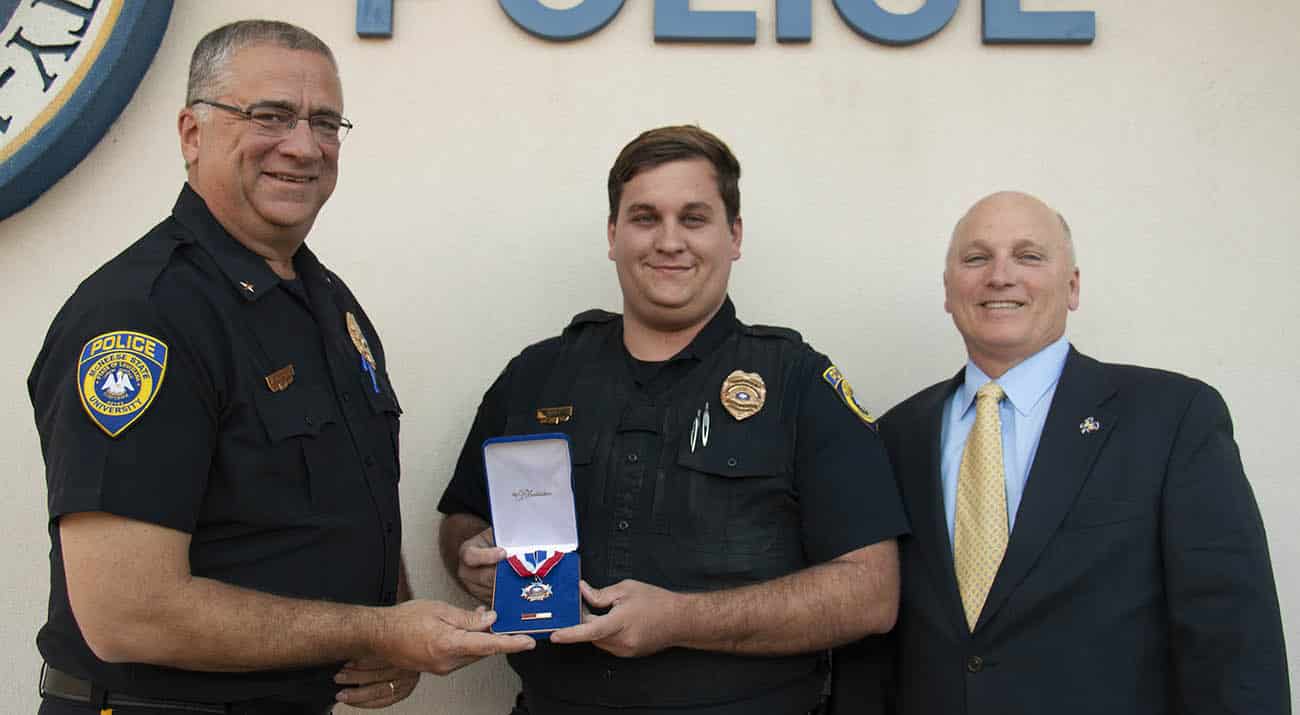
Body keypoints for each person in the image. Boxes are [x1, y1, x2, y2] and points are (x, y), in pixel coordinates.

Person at [27, 20, 533, 715]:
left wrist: (393, 618)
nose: (303, 145)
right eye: (270, 116)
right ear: (191, 132)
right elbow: (127, 613)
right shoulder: (143, 316)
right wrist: (379, 628)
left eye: (325, 122)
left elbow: (346, 499)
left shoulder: (328, 305)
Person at [437, 125, 908, 714]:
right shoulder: (536, 375)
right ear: (612, 235)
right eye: (644, 218)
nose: (668, 242)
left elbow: (870, 592)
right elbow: (464, 517)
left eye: (693, 218)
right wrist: (470, 559)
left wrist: (681, 620)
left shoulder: (798, 383)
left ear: (733, 236)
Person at [876, 191, 1289, 713]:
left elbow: (1234, 636)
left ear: (1072, 287)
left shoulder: (1172, 418)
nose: (1000, 276)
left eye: (1028, 256)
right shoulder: (893, 437)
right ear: (947, 289)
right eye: (976, 258)